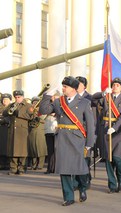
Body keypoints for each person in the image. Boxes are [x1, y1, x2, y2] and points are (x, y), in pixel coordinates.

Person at [39, 76, 95, 206]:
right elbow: (44, 110)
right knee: (64, 168)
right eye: (63, 86)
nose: (63, 88)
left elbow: (90, 125)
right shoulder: (59, 102)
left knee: (79, 167)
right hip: (62, 138)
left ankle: (82, 188)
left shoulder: (84, 103)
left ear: (74, 89)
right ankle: (68, 197)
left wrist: (89, 144)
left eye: (65, 87)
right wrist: (47, 96)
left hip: (77, 138)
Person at [92, 77, 121, 194]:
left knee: (117, 159)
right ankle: (112, 185)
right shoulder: (106, 97)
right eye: (113, 85)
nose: (115, 87)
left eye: (117, 85)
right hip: (105, 130)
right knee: (108, 159)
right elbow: (93, 99)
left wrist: (115, 127)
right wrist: (103, 93)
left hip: (117, 133)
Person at [2, 90, 33, 175]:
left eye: (19, 97)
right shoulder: (12, 105)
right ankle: (13, 169)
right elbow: (5, 113)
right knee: (12, 151)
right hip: (12, 130)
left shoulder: (28, 106)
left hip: (22, 131)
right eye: (16, 97)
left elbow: (31, 116)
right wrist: (10, 108)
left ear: (22, 97)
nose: (17, 99)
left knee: (22, 151)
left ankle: (22, 169)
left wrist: (18, 113)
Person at [27, 96, 47, 170]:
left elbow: (43, 118)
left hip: (40, 130)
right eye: (34, 102)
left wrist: (37, 114)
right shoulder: (30, 110)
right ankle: (33, 164)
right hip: (32, 130)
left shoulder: (42, 110)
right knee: (33, 148)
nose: (35, 103)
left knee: (41, 148)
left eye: (37, 102)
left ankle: (40, 165)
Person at [44, 94, 59, 174]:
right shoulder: (47, 106)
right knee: (50, 150)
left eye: (56, 97)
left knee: (57, 150)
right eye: (53, 97)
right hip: (48, 130)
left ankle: (56, 167)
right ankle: (50, 168)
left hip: (56, 129)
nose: (54, 99)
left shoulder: (61, 105)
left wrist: (56, 114)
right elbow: (41, 115)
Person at [0, 93, 12, 170]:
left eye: (7, 100)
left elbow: (11, 117)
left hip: (8, 129)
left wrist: (3, 120)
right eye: (4, 100)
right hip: (1, 129)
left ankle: (7, 164)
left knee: (7, 147)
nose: (5, 101)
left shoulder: (11, 108)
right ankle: (1, 163)